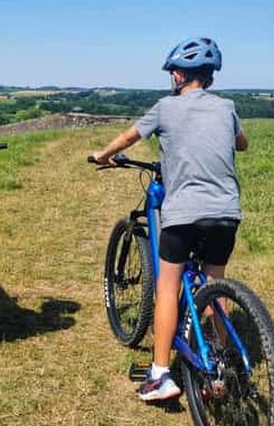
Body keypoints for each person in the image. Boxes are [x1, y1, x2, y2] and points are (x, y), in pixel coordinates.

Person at [91, 37, 248, 402]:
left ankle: (160, 374)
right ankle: (221, 366)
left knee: (167, 284)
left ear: (178, 75)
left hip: (184, 212)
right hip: (226, 212)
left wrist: (102, 155)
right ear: (209, 77)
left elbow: (128, 137)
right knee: (215, 283)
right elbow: (242, 144)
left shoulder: (165, 107)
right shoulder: (227, 108)